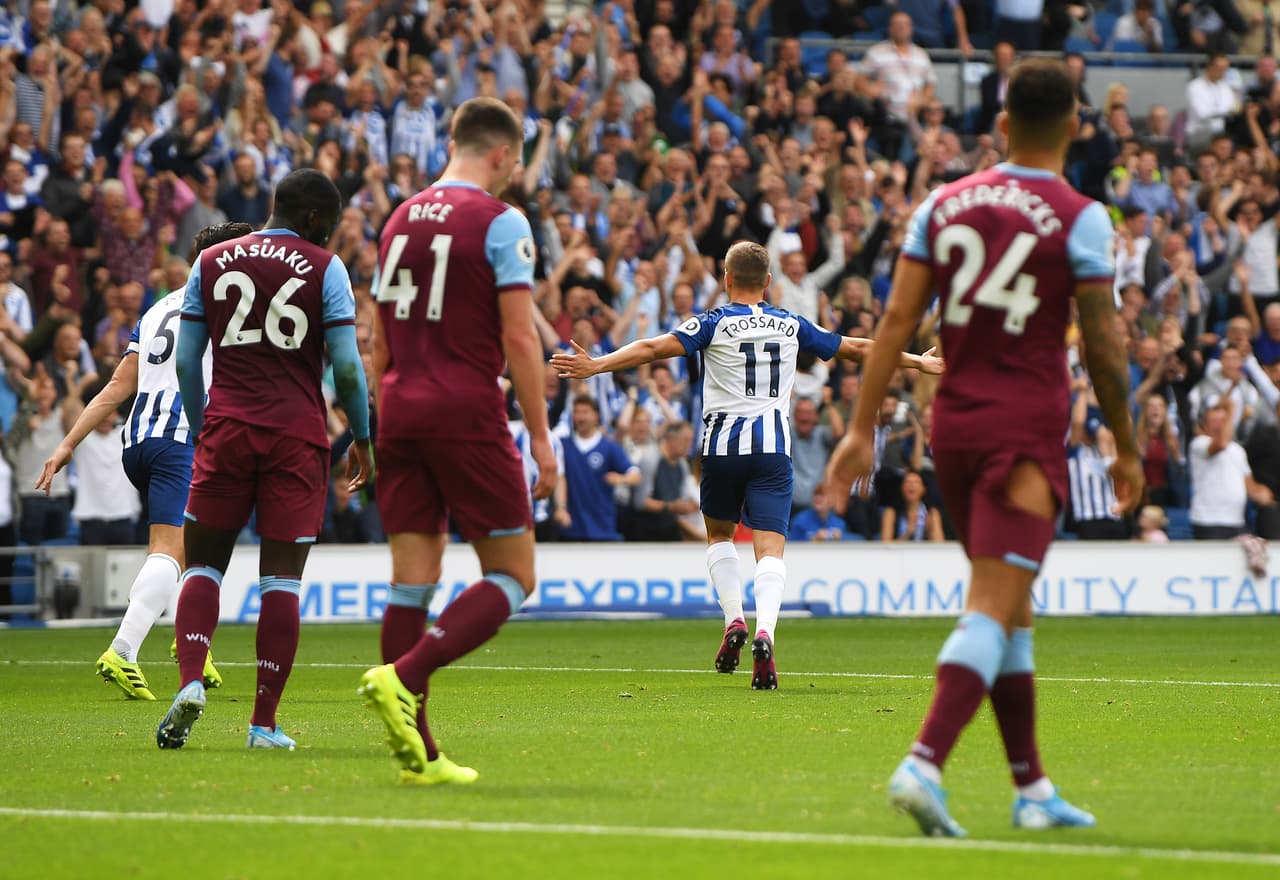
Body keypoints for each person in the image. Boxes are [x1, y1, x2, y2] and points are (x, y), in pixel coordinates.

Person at [827, 59, 1143, 837]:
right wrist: (1125, 443)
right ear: (1075, 126)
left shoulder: (942, 204)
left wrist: (860, 427)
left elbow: (897, 322)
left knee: (1014, 606)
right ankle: (923, 762)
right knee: (994, 605)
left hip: (955, 430)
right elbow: (1104, 344)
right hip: (1024, 431)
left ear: (1001, 126)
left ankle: (1032, 788)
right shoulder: (1083, 216)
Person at [552, 240, 942, 690]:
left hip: (720, 450)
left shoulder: (713, 322)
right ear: (770, 283)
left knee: (720, 535)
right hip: (772, 450)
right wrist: (914, 360)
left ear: (726, 278)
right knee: (770, 546)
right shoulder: (791, 324)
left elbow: (653, 348)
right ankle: (764, 632)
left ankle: (734, 619)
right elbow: (854, 347)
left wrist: (597, 364)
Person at [356, 97, 555, 785]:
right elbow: (521, 337)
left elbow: (377, 337)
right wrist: (542, 437)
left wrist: (374, 425)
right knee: (514, 575)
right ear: (500, 152)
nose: (517, 174)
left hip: (400, 408)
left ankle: (422, 756)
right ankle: (404, 676)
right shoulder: (501, 222)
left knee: (413, 579)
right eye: (519, 160)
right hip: (467, 410)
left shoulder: (399, 218)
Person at [156, 171, 373, 751]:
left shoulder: (211, 261)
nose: (328, 239)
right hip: (296, 439)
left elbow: (186, 361)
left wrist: (205, 428)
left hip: (227, 427)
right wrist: (363, 437)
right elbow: (348, 370)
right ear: (311, 220)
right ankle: (262, 724)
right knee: (281, 581)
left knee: (202, 566)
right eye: (327, 228)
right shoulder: (327, 270)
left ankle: (190, 681)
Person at [35, 224, 251, 701]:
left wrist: (67, 445)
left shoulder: (158, 309)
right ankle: (124, 648)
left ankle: (194, 641)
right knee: (170, 549)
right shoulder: (228, 304)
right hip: (181, 439)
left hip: (137, 441)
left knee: (203, 541)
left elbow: (116, 386)